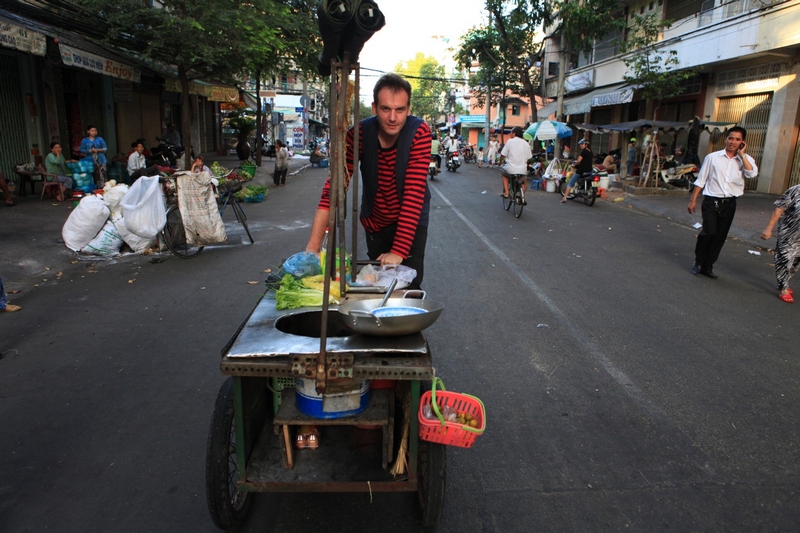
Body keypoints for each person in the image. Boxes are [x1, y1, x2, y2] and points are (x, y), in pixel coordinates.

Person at [305, 73, 431, 289]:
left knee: (408, 288)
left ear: (408, 110)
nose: (393, 117)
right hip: (376, 222)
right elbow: (334, 190)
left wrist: (399, 250)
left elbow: (414, 193)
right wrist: (312, 249)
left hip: (411, 221)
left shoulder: (419, 132)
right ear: (374, 108)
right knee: (376, 286)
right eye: (385, 109)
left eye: (400, 110)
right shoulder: (359, 134)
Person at [688, 126, 757, 279]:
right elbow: (701, 180)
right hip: (711, 202)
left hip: (730, 203)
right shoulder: (712, 157)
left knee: (720, 236)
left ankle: (708, 266)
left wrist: (742, 155)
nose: (733, 142)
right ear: (726, 138)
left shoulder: (746, 160)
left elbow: (751, 174)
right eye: (731, 138)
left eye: (738, 139)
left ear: (742, 142)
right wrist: (693, 200)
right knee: (709, 232)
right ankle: (698, 262)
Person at [761, 185, 800, 303]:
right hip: (788, 233)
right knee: (785, 259)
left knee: (795, 261)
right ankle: (783, 288)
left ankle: (783, 282)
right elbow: (779, 210)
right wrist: (769, 228)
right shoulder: (794, 191)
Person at [499, 126, 532, 202]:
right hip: (522, 169)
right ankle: (522, 196)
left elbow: (503, 155)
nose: (510, 134)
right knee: (523, 181)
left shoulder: (510, 141)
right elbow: (529, 158)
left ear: (514, 133)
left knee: (504, 175)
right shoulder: (526, 144)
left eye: (511, 132)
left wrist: (500, 161)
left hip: (511, 169)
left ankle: (506, 193)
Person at [561, 139, 593, 203]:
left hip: (581, 170)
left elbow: (578, 161)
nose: (580, 145)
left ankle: (564, 198)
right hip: (589, 170)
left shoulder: (584, 151)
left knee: (570, 183)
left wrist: (574, 165)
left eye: (582, 144)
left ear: (585, 145)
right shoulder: (590, 152)